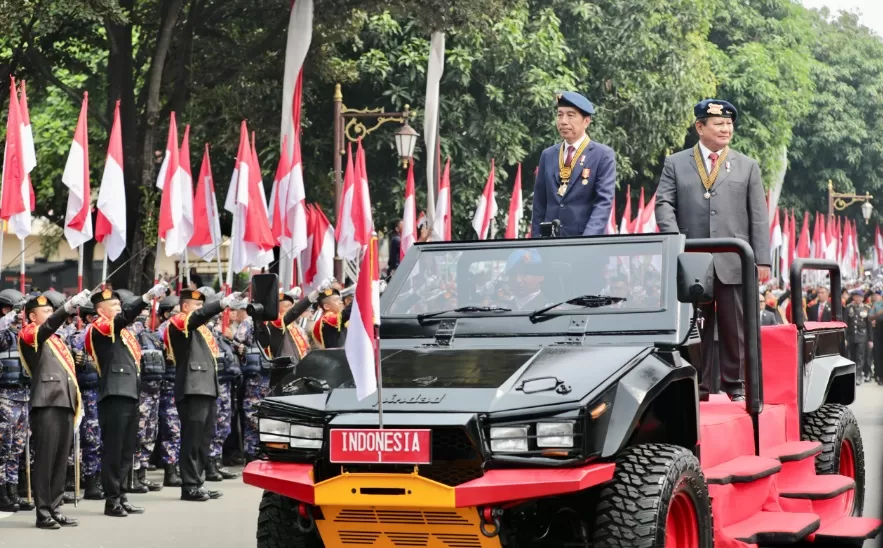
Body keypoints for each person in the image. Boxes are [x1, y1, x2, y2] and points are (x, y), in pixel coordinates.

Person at [655, 99, 770, 402]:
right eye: (718, 124)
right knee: (695, 328)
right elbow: (664, 204)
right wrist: (675, 241)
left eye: (729, 124)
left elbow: (758, 216)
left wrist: (762, 259)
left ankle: (737, 387)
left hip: (734, 260)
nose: (725, 129)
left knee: (736, 329)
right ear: (700, 127)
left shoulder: (747, 166)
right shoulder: (676, 163)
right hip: (692, 261)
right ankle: (697, 388)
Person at [85, 284, 166, 517]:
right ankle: (111, 500)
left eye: (119, 305)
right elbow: (123, 319)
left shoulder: (123, 333)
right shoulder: (99, 328)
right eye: (114, 305)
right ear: (101, 311)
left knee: (127, 449)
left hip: (130, 393)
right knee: (113, 449)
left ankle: (121, 494)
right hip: (114, 394)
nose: (119, 309)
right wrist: (145, 298)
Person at [19, 289, 91, 529]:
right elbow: (48, 327)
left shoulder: (58, 341)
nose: (51, 314)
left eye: (52, 310)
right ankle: (43, 512)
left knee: (61, 459)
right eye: (46, 311)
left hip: (65, 401)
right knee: (46, 459)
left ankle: (55, 507)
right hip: (47, 401)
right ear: (32, 316)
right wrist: (67, 308)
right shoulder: (30, 334)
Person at [165, 288, 243, 501]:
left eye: (202, 305)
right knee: (192, 439)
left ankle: (198, 481)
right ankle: (189, 485)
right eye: (196, 306)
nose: (200, 309)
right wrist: (219, 304)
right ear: (185, 307)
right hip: (192, 387)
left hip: (207, 387)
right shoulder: (180, 322)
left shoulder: (202, 330)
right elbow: (198, 317)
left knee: (204, 438)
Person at [531, 91, 616, 237]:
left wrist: (585, 243)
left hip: (586, 246)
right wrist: (535, 243)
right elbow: (539, 204)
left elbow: (603, 204)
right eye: (560, 115)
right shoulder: (548, 155)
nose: (563, 121)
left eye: (570, 115)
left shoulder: (602, 155)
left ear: (586, 121)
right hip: (550, 246)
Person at [67, 304, 104, 501]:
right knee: (91, 439)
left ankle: (100, 477)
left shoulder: (111, 337)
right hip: (88, 394)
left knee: (103, 438)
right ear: (90, 318)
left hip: (106, 393)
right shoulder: (77, 338)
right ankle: (90, 481)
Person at [0, 294, 33, 513]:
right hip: (5, 396)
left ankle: (12, 490)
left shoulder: (22, 334)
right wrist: (11, 316)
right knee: (3, 447)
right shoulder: (3, 334)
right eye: (16, 310)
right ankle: (1, 492)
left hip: (23, 395)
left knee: (17, 448)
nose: (21, 315)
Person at [131, 311, 165, 492]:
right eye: (140, 314)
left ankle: (142, 473)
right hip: (141, 391)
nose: (143, 318)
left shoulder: (152, 336)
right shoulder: (132, 334)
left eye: (146, 314)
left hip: (154, 391)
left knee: (150, 433)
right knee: (138, 433)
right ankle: (132, 475)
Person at [155, 295, 182, 487]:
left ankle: (177, 467)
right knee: (172, 429)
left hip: (182, 383)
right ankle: (170, 471)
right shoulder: (164, 331)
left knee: (180, 429)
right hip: (169, 385)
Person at [846, 289, 873, 385]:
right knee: (852, 356)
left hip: (862, 336)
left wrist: (870, 339)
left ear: (862, 298)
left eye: (859, 296)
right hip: (852, 336)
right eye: (855, 296)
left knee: (860, 356)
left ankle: (858, 376)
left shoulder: (866, 308)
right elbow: (846, 324)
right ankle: (854, 375)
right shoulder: (849, 308)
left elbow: (869, 325)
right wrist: (846, 338)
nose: (857, 298)